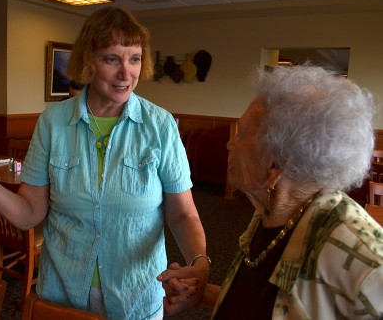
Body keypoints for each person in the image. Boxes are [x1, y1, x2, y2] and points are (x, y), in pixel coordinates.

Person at [0, 7, 210, 319]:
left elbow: (183, 214)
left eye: (134, 58)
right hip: (62, 296)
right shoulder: (53, 123)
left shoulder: (160, 126)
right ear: (89, 61)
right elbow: (28, 214)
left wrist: (200, 261)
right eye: (111, 59)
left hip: (136, 296)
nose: (126, 73)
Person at [158, 65, 383, 319]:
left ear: (275, 165)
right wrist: (203, 294)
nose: (229, 143)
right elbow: (266, 302)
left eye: (242, 134)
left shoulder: (363, 260)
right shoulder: (272, 214)